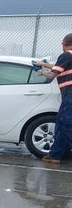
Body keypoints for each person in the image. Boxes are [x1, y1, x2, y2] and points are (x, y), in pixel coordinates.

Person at [33, 33, 72, 164]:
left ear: (63, 44)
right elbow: (59, 66)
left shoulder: (67, 55)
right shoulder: (68, 58)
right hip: (68, 97)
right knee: (61, 124)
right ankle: (55, 155)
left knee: (67, 124)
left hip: (70, 97)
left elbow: (52, 75)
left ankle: (55, 154)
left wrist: (40, 71)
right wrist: (44, 64)